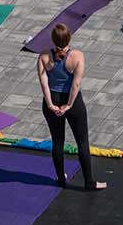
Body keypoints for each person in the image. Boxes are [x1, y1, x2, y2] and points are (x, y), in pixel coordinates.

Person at [36, 24, 106, 191]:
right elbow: (75, 84)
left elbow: (44, 84)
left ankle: (60, 178)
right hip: (72, 102)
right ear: (69, 38)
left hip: (52, 98)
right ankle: (89, 181)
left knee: (57, 141)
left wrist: (50, 104)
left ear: (53, 39)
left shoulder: (44, 56)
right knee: (82, 142)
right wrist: (69, 105)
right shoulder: (77, 56)